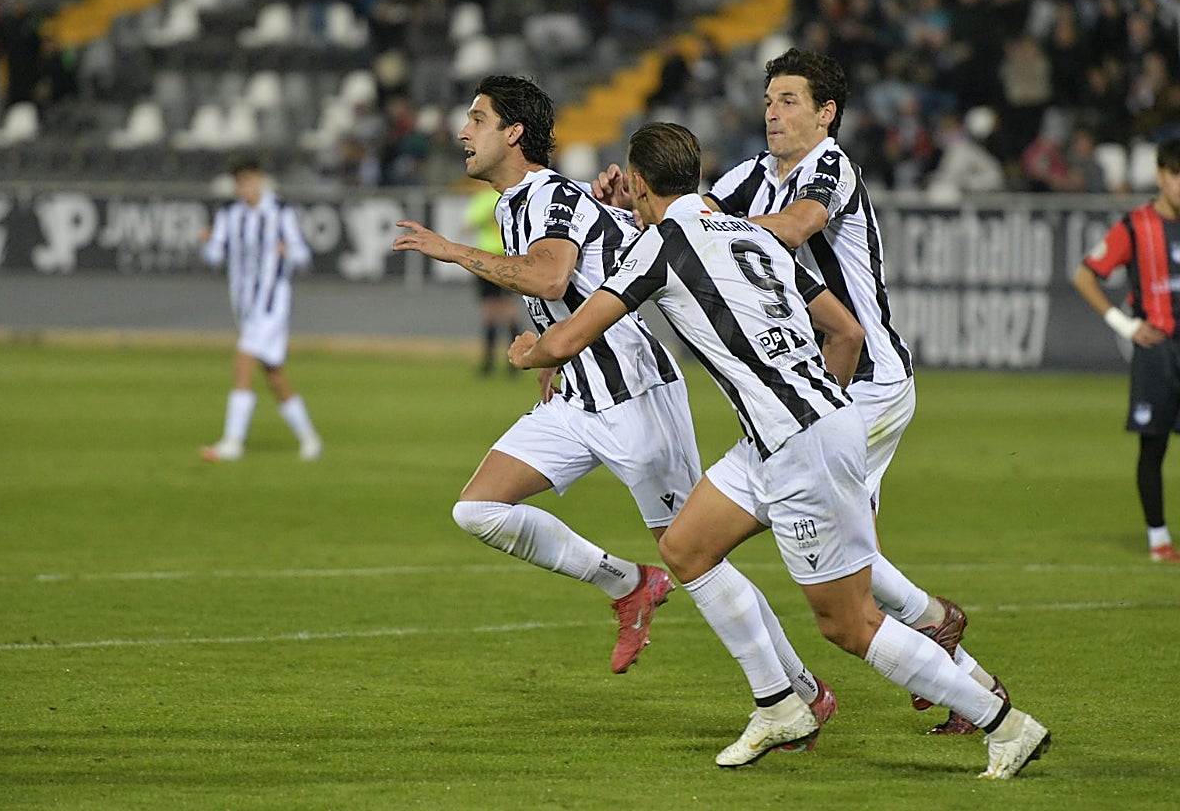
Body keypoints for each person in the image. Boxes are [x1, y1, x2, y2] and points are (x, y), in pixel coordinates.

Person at [512, 120, 1051, 779]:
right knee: (685, 546)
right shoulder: (751, 234)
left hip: (799, 445)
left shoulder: (662, 246)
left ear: (643, 184)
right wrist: (817, 406)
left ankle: (1004, 723)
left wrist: (529, 351)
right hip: (791, 434)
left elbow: (568, 341)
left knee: (848, 625)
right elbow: (846, 331)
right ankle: (778, 705)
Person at [593, 48, 1008, 735]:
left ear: (826, 113)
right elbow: (688, 220)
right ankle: (956, 664)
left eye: (790, 100)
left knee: (837, 557)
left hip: (866, 382)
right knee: (837, 551)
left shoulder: (829, 165)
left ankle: (935, 646)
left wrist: (693, 231)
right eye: (767, 100)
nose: (773, 113)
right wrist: (636, 205)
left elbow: (789, 228)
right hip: (816, 392)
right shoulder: (753, 175)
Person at [393, 76, 837, 715]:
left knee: (696, 554)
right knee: (478, 509)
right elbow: (600, 261)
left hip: (637, 397)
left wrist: (452, 251)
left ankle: (798, 690)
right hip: (576, 398)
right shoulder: (521, 203)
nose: (463, 132)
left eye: (478, 119)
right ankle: (630, 584)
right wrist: (550, 355)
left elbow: (550, 277)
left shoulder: (547, 194)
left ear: (514, 134)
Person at [1071, 136, 1180, 563]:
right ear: (1161, 176)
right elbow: (1085, 275)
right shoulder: (1136, 226)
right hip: (1158, 352)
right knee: (1153, 446)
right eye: (1176, 176)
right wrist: (1125, 324)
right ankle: (1158, 539)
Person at [199, 156, 322, 463]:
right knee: (274, 375)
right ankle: (310, 438)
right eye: (240, 182)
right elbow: (215, 256)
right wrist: (208, 241)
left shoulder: (280, 212)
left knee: (242, 365)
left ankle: (232, 442)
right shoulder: (230, 214)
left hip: (271, 305)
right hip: (244, 305)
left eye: (249, 180)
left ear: (260, 180)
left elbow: (303, 255)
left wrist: (288, 252)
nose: (245, 188)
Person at [464, 183, 521, 375]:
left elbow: (469, 226)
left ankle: (489, 363)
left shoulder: (482, 199)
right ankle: (515, 362)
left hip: (488, 259)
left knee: (492, 312)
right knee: (508, 310)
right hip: (505, 258)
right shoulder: (509, 197)